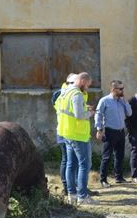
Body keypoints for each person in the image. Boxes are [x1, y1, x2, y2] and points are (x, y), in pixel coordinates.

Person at [55, 71, 95, 204]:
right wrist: (90, 113)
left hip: (67, 133)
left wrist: (84, 108)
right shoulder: (77, 94)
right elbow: (79, 115)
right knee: (84, 165)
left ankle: (71, 195)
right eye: (87, 85)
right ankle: (82, 196)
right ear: (83, 81)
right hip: (78, 135)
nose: (87, 88)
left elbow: (69, 111)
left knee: (71, 165)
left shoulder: (66, 92)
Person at [95, 80, 132, 187]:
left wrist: (125, 102)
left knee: (119, 156)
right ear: (113, 89)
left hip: (121, 132)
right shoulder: (104, 101)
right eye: (120, 89)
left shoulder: (122, 101)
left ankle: (119, 177)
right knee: (107, 156)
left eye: (123, 88)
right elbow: (98, 115)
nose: (122, 91)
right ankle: (103, 180)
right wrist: (99, 130)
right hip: (109, 132)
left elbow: (129, 113)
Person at [51, 73, 78, 191]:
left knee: (69, 159)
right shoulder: (64, 94)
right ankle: (68, 186)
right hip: (66, 130)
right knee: (68, 159)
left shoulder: (60, 93)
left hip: (65, 130)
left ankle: (71, 186)